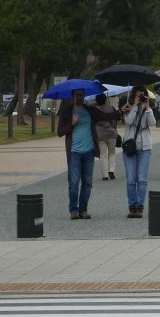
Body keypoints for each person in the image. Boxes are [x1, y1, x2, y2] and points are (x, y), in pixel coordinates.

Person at [58, 88, 107, 219]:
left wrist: (120, 112)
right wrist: (72, 124)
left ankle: (83, 209)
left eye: (82, 95)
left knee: (87, 182)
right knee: (74, 183)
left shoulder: (89, 110)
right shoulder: (68, 112)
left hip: (89, 152)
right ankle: (74, 209)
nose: (80, 97)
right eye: (77, 95)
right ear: (73, 96)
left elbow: (104, 116)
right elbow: (60, 132)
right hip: (74, 152)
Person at [121, 87, 156, 218]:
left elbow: (152, 123)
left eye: (141, 96)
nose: (139, 98)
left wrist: (147, 108)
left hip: (145, 148)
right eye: (137, 96)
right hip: (130, 147)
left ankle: (140, 206)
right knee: (131, 179)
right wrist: (135, 105)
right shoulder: (127, 107)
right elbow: (129, 121)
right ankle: (132, 206)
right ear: (132, 96)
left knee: (142, 179)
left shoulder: (147, 108)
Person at [94, 94, 121, 181]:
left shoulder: (94, 110)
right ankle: (111, 170)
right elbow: (116, 119)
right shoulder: (111, 108)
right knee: (112, 153)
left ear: (96, 101)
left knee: (103, 155)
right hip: (111, 134)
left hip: (100, 134)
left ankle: (105, 175)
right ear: (105, 100)